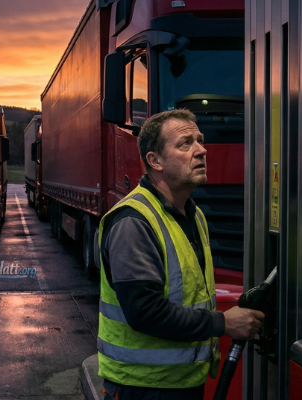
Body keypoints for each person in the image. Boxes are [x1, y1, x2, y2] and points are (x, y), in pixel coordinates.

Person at [97, 109, 264, 400]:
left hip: (182, 383)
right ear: (155, 161)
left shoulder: (194, 215)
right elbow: (145, 312)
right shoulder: (133, 222)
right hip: (142, 388)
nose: (201, 150)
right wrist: (223, 323)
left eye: (200, 141)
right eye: (185, 143)